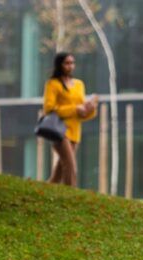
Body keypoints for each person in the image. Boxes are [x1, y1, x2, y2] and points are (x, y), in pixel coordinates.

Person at [42, 52, 98, 187]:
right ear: (59, 65)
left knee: (61, 169)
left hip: (74, 131)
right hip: (58, 130)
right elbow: (49, 109)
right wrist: (75, 109)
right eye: (67, 63)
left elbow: (82, 113)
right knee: (71, 165)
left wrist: (90, 109)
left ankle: (48, 188)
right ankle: (72, 194)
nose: (70, 66)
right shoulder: (53, 84)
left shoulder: (79, 84)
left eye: (72, 63)